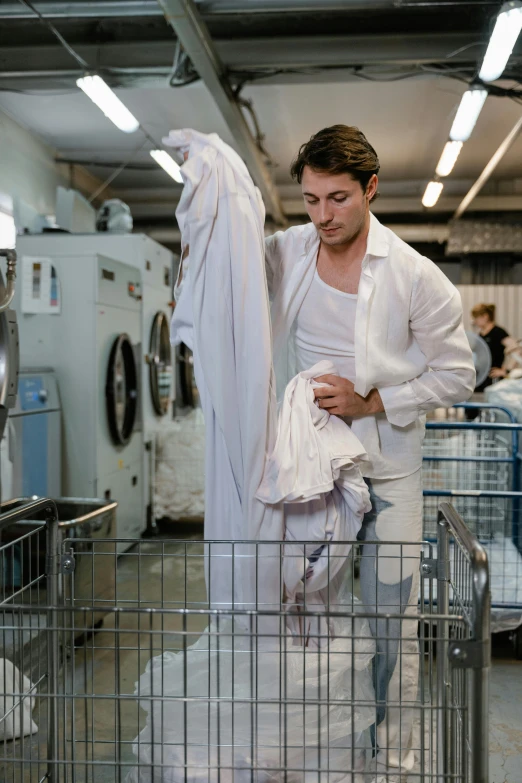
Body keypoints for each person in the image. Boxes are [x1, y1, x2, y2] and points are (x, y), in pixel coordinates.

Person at [264, 125, 475, 783]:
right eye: (311, 199)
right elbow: (230, 274)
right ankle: (308, 743)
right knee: (297, 608)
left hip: (387, 471)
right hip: (310, 467)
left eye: (338, 198)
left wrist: (372, 401)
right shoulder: (290, 251)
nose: (322, 216)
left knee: (392, 620)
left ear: (371, 189)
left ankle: (394, 752)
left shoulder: (415, 275)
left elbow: (457, 373)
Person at [471, 302, 509, 389]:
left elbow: (517, 349)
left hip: (493, 379)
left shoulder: (498, 332)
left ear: (485, 316)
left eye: (476, 317)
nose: (475, 321)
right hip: (482, 378)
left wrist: (505, 371)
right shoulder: (481, 335)